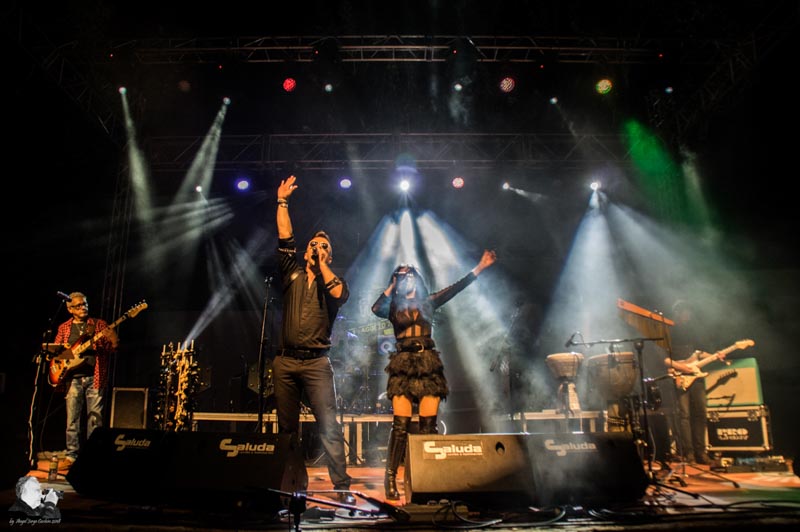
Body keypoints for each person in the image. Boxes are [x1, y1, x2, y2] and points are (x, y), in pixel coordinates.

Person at [372, 250, 497, 500]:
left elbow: (456, 288)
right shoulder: (393, 307)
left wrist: (480, 267)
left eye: (409, 273)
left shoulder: (428, 301)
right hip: (402, 364)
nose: (406, 276)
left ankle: (429, 480)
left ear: (417, 278)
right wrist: (393, 283)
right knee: (400, 425)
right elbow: (376, 308)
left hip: (428, 361)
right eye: (401, 274)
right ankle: (390, 479)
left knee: (428, 426)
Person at [274, 175, 355, 505]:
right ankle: (289, 485)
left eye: (324, 248)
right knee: (286, 429)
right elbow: (285, 236)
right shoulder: (292, 273)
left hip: (317, 363)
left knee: (329, 426)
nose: (316, 248)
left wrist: (322, 264)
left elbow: (338, 293)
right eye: (313, 245)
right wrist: (282, 202)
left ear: (329, 257)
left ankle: (342, 488)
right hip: (285, 361)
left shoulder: (334, 282)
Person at [52, 292, 119, 470]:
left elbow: (111, 349)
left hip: (95, 378)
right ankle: (71, 456)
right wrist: (68, 352)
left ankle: (92, 455)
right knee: (72, 420)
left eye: (85, 304)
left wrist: (113, 339)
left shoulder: (98, 325)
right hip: (72, 379)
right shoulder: (64, 328)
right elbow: (56, 353)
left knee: (95, 420)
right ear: (70, 309)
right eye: (79, 305)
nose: (83, 307)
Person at [663, 299, 718, 466]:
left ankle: (701, 452)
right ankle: (688, 453)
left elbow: (699, 353)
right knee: (684, 415)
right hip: (680, 375)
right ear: (677, 313)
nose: (688, 315)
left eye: (689, 312)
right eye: (685, 312)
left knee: (700, 413)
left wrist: (716, 356)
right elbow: (664, 359)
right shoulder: (667, 332)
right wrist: (682, 368)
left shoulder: (693, 330)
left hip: (696, 375)